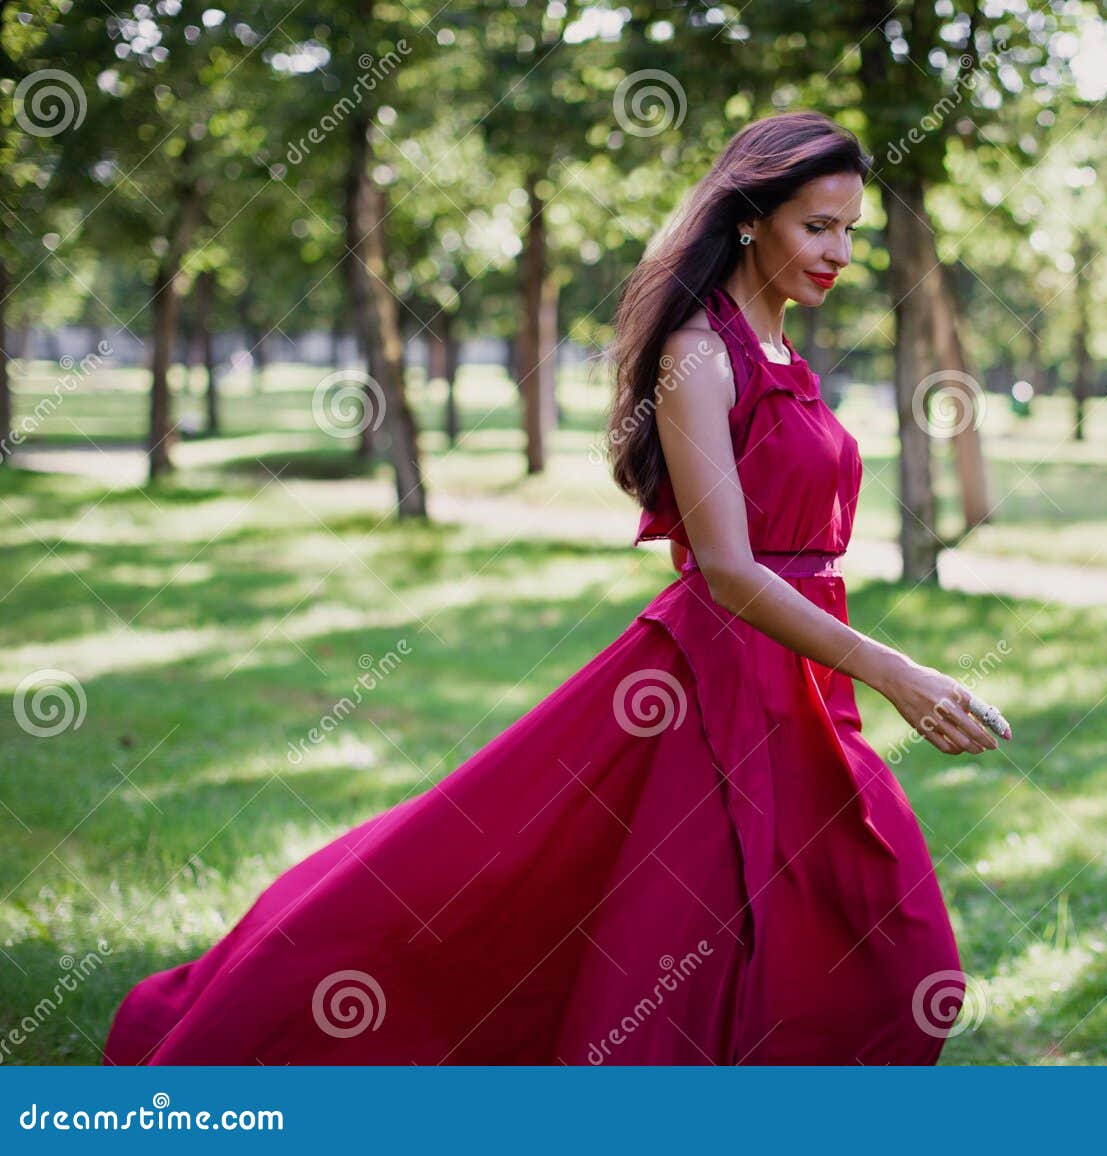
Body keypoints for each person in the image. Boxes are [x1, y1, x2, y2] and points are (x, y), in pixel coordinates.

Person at [101, 110, 1004, 1067]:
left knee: (877, 944)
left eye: (852, 229)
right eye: (817, 227)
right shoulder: (700, 353)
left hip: (801, 682)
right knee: (587, 919)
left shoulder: (786, 354)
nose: (841, 252)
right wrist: (898, 672)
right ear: (751, 219)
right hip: (712, 687)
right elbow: (730, 571)